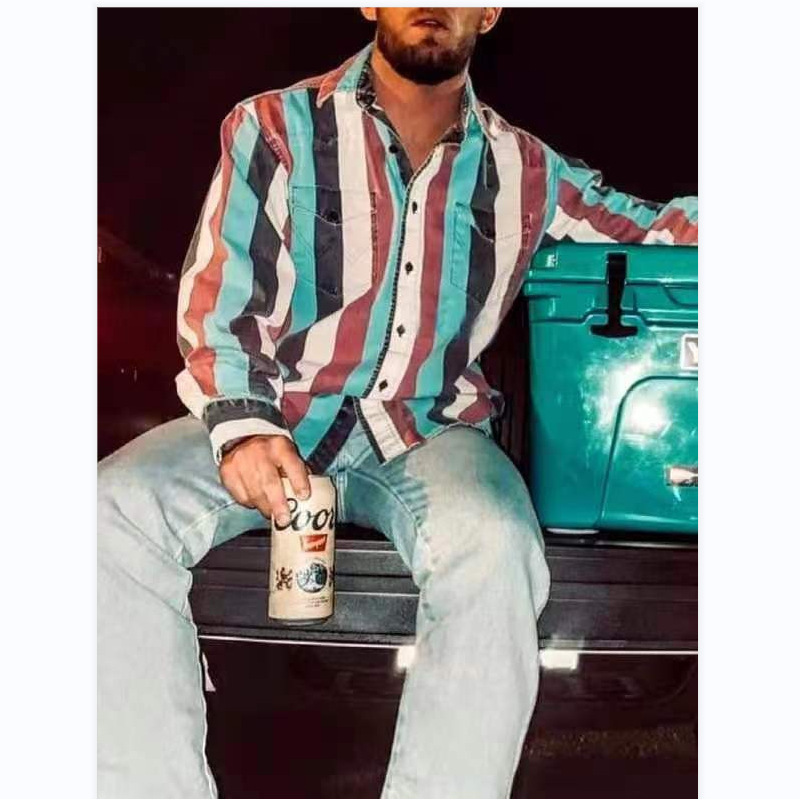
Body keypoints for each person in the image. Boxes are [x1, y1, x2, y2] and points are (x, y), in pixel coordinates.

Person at [98, 7, 698, 798]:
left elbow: (658, 230)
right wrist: (242, 426)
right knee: (106, 512)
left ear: (490, 11)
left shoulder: (526, 167)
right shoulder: (273, 126)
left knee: (495, 542)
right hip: (276, 415)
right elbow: (220, 294)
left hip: (429, 431)